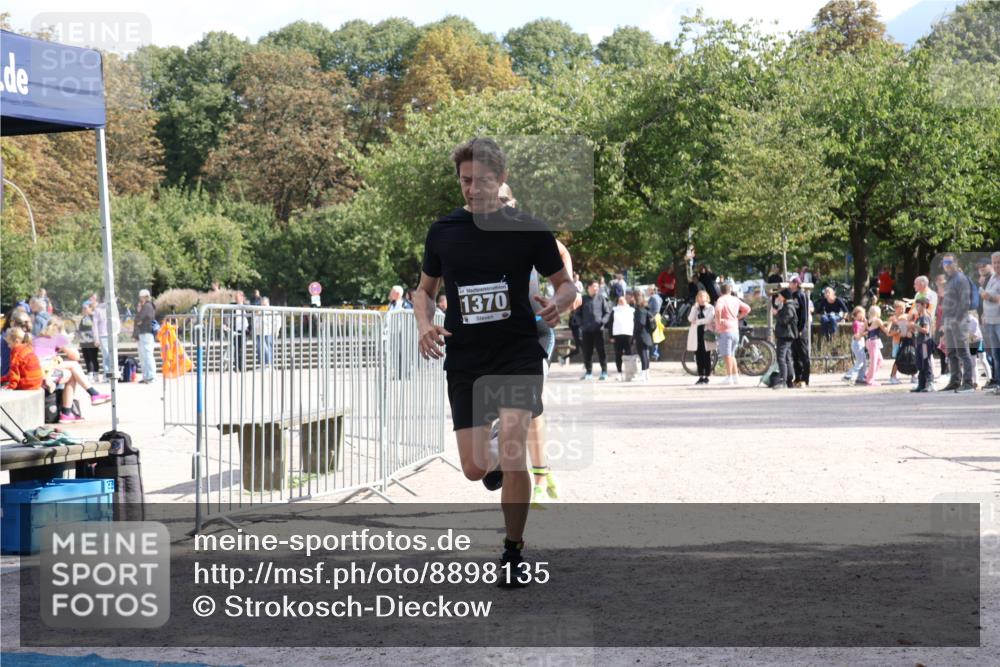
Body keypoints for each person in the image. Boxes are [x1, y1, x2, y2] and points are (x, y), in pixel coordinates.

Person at [413, 137, 576, 584]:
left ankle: (512, 550)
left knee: (513, 451)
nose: (472, 189)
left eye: (482, 181)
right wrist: (424, 323)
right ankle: (498, 463)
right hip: (466, 356)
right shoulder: (443, 231)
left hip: (516, 351)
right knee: (473, 468)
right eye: (465, 181)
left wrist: (559, 303)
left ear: (501, 179)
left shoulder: (528, 229)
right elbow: (423, 290)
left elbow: (566, 283)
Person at [34, 319, 111, 422]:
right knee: (74, 365)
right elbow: (76, 356)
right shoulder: (58, 337)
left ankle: (67, 413)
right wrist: (65, 340)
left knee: (71, 374)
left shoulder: (37, 339)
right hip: (45, 372)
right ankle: (93, 394)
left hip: (38, 373)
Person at [940, 254, 975, 392]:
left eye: (949, 262)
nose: (947, 265)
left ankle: (968, 383)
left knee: (963, 352)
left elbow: (965, 301)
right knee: (951, 353)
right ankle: (955, 381)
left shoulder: (960, 279)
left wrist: (957, 319)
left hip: (958, 322)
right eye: (944, 262)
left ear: (956, 263)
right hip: (949, 322)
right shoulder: (950, 280)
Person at [713, 283, 750, 384]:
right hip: (735, 329)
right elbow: (747, 309)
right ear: (730, 290)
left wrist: (719, 319)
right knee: (732, 354)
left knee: (727, 355)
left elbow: (717, 309)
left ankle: (729, 377)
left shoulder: (721, 300)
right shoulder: (735, 299)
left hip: (725, 329)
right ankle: (735, 376)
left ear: (721, 291)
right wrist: (738, 317)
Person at [578, 280, 611, 380]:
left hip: (598, 330)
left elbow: (607, 312)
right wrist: (582, 324)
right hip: (586, 331)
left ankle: (604, 372)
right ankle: (588, 372)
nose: (596, 288)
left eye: (597, 287)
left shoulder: (602, 298)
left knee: (601, 352)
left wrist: (602, 322)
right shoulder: (582, 299)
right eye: (594, 286)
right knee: (587, 352)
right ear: (588, 288)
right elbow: (577, 314)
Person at [979, 252, 1000, 392]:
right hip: (990, 321)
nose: (997, 265)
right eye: (995, 263)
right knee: (996, 354)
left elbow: (996, 298)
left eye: (999, 262)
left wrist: (988, 297)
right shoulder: (993, 277)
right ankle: (998, 383)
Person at [687, 289, 715, 385]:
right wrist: (694, 308)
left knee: (706, 355)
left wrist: (698, 321)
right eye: (699, 296)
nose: (701, 298)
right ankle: (700, 376)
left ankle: (707, 376)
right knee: (698, 356)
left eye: (703, 296)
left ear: (707, 298)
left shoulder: (711, 308)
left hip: (706, 334)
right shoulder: (695, 308)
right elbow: (690, 319)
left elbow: (708, 320)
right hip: (696, 335)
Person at [1, 327, 43, 391]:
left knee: (3, 388)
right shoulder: (27, 348)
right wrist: (2, 379)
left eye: (9, 343)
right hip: (36, 383)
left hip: (27, 384)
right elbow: (14, 373)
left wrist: (10, 387)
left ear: (16, 341)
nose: (8, 346)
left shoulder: (16, 353)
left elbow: (14, 373)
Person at [772, 289, 799, 389]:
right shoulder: (788, 306)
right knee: (787, 358)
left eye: (780, 296)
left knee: (781, 358)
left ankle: (783, 380)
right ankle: (789, 380)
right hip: (786, 335)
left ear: (784, 297)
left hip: (785, 335)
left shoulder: (789, 307)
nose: (778, 297)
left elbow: (784, 321)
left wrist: (776, 314)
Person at [788, 276, 811, 387]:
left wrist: (801, 329)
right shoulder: (792, 295)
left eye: (791, 282)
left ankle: (805, 379)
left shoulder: (801, 295)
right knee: (795, 355)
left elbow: (804, 314)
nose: (789, 284)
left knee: (803, 354)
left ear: (796, 284)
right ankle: (797, 377)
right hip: (793, 329)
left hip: (800, 329)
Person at [91, 294, 121, 380]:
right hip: (103, 335)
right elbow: (95, 325)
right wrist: (96, 338)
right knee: (107, 355)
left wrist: (117, 332)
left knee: (114, 354)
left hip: (113, 335)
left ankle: (114, 373)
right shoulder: (98, 309)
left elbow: (117, 320)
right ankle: (107, 375)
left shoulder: (114, 308)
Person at [607, 296, 635, 382]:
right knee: (618, 355)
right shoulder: (614, 311)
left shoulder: (632, 310)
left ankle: (630, 373)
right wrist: (611, 336)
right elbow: (610, 324)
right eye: (620, 301)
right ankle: (619, 373)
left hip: (628, 335)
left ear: (626, 301)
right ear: (618, 302)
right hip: (617, 336)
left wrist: (634, 336)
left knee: (629, 355)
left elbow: (635, 323)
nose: (622, 302)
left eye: (623, 300)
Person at [910, 298, 935, 392]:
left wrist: (915, 326)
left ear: (924, 305)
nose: (917, 307)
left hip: (925, 343)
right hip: (919, 343)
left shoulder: (925, 316)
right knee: (920, 363)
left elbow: (926, 330)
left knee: (926, 362)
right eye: (916, 305)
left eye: (918, 305)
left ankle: (930, 383)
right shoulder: (919, 317)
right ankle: (921, 384)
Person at [134, 289, 157, 384]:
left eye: (141, 297)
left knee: (147, 355)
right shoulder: (146, 306)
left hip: (146, 332)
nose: (140, 299)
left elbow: (139, 318)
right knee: (143, 355)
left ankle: (151, 376)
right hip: (143, 333)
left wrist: (139, 315)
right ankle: (146, 376)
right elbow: (138, 320)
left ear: (145, 297)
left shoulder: (147, 306)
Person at [886, 301, 912, 386]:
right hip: (897, 341)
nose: (902, 310)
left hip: (907, 340)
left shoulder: (906, 316)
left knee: (910, 356)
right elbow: (888, 332)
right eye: (900, 308)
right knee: (898, 359)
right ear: (896, 309)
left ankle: (913, 375)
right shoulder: (892, 318)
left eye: (903, 308)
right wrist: (895, 331)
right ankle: (893, 376)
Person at [631, 291, 654, 382]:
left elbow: (640, 323)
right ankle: (647, 373)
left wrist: (634, 334)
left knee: (643, 354)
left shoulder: (639, 310)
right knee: (645, 354)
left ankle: (644, 374)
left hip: (641, 335)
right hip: (646, 334)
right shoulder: (645, 309)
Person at [843, 306, 868, 385]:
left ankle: (861, 378)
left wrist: (866, 324)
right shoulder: (856, 323)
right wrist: (866, 333)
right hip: (857, 343)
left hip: (861, 343)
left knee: (864, 361)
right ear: (858, 314)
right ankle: (848, 376)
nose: (864, 315)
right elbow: (857, 336)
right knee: (860, 362)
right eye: (862, 314)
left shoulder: (862, 323)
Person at [77, 302, 101, 383]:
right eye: (83, 308)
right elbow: (81, 329)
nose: (84, 310)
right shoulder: (83, 318)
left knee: (93, 358)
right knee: (86, 357)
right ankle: (89, 373)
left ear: (90, 308)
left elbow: (93, 328)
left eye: (85, 308)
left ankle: (95, 374)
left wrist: (96, 339)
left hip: (92, 341)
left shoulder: (93, 317)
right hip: (84, 342)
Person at [255, 296, 275, 366]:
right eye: (262, 304)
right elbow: (255, 321)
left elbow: (277, 322)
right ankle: (262, 364)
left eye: (264, 304)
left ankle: (269, 364)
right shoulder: (259, 311)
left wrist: (276, 330)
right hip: (259, 333)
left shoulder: (272, 311)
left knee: (268, 348)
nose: (263, 305)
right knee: (259, 349)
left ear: (268, 303)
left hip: (268, 332)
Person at [646, 287, 663, 361]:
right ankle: (654, 354)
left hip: (654, 318)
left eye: (648, 290)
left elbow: (655, 310)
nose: (647, 291)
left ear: (651, 290)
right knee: (655, 337)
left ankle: (654, 355)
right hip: (657, 317)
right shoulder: (659, 297)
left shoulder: (653, 298)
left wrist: (650, 317)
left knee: (654, 337)